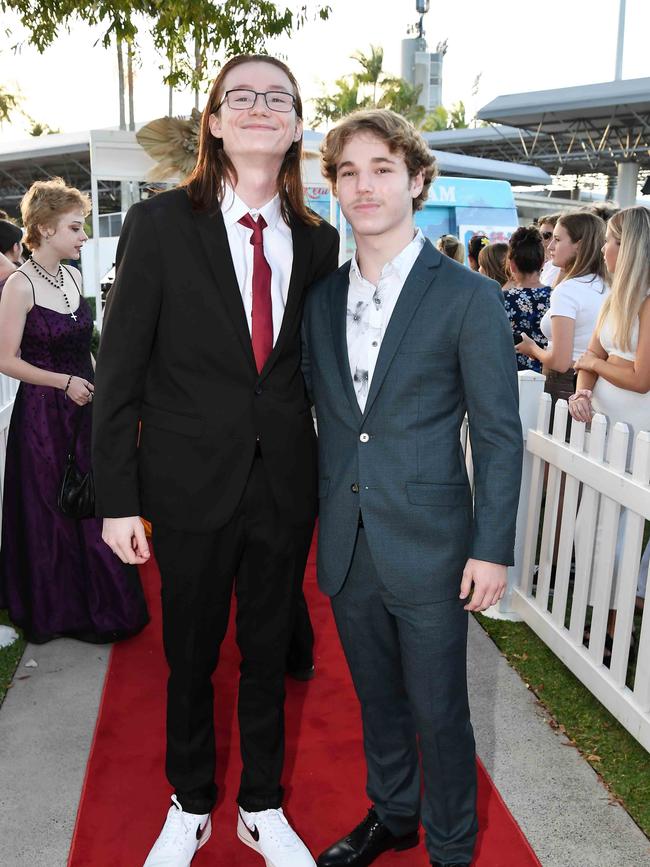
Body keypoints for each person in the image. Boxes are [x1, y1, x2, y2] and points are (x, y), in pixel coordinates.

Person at [92, 54, 339, 867]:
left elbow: (314, 369)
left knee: (269, 651)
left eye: (279, 97)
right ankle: (191, 799)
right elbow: (120, 370)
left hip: (282, 483)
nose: (261, 106)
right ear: (215, 121)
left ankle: (260, 805)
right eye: (243, 96)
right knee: (190, 653)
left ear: (298, 125)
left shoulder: (318, 241)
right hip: (187, 483)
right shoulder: (161, 225)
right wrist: (117, 498)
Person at [303, 109, 523, 867]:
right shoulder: (322, 300)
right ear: (334, 187)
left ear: (417, 179)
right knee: (379, 701)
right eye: (348, 172)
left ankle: (453, 849)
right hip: (349, 542)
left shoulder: (466, 296)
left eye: (382, 169)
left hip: (432, 548)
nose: (364, 186)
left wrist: (491, 550)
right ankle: (394, 813)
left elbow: (497, 435)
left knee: (440, 711)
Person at [0, 178, 149, 644]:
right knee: (50, 511)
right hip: (42, 418)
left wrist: (99, 387)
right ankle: (55, 609)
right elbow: (5, 359)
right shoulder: (18, 286)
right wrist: (63, 382)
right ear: (43, 229)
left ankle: (100, 603)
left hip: (84, 409)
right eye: (75, 227)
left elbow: (86, 345)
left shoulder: (74, 276)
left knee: (91, 503)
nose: (84, 236)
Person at [569, 206, 650, 620]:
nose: (603, 249)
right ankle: (593, 605)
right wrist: (582, 393)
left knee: (619, 527)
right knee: (589, 522)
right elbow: (590, 357)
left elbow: (641, 379)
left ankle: (613, 623)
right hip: (600, 421)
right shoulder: (615, 299)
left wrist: (597, 368)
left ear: (630, 248)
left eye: (610, 241)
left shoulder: (648, 304)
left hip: (636, 429)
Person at [516, 212, 608, 421]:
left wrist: (532, 349)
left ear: (579, 244)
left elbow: (560, 361)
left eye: (557, 240)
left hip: (565, 387)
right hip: (596, 388)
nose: (549, 247)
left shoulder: (568, 291)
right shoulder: (606, 285)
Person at [502, 227, 551, 372]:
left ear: (512, 265)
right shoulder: (557, 296)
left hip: (512, 374)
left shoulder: (502, 298)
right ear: (542, 263)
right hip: (547, 371)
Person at [538, 213, 560, 286]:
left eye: (546, 235)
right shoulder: (547, 265)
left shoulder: (561, 267)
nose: (541, 240)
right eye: (539, 235)